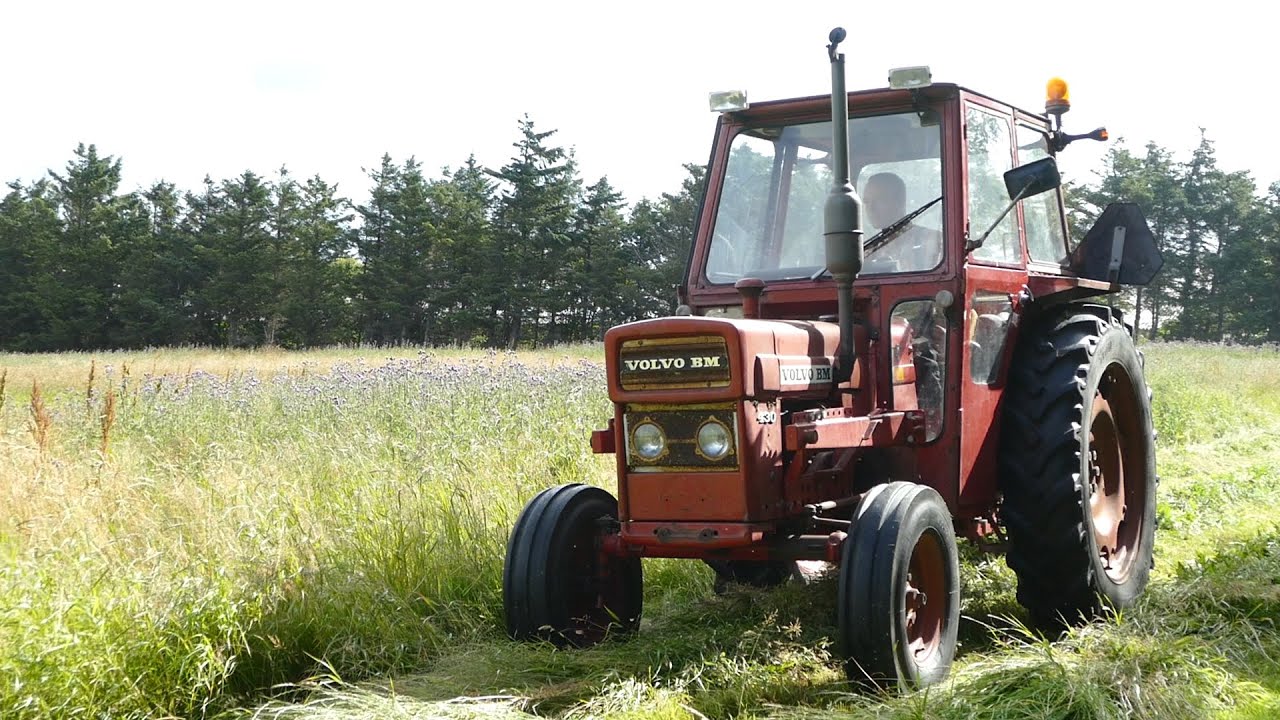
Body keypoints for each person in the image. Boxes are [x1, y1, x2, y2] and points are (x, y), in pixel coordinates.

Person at [861, 172, 942, 272]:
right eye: (866, 202)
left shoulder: (933, 242)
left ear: (900, 201)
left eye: (879, 200)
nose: (870, 208)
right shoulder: (867, 252)